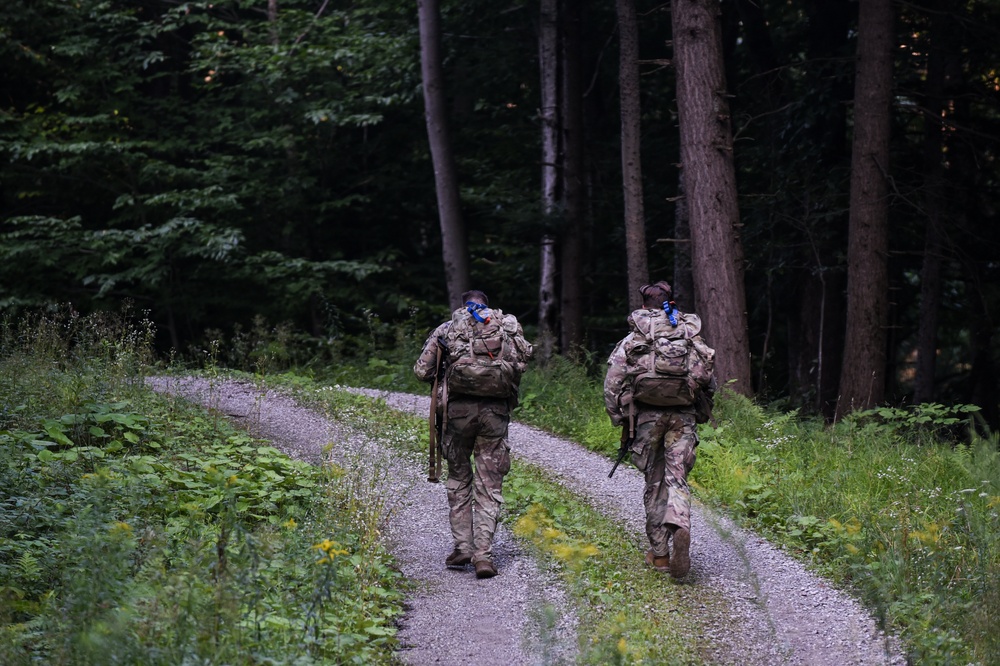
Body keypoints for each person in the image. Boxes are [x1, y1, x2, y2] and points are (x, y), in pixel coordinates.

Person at [413, 289, 533, 579]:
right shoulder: (506, 327)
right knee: (490, 484)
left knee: (459, 477)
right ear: (487, 306)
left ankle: (463, 546)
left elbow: (421, 371)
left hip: (457, 414)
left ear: (464, 306)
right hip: (495, 415)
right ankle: (484, 555)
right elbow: (523, 361)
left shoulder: (449, 329)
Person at [603, 281, 715, 579]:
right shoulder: (688, 333)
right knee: (676, 477)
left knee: (654, 481)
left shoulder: (635, 337)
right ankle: (680, 525)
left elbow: (613, 381)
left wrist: (618, 418)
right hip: (683, 418)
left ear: (643, 305)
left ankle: (661, 555)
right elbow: (708, 379)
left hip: (647, 419)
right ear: (671, 302)